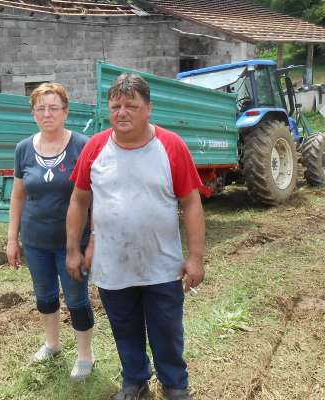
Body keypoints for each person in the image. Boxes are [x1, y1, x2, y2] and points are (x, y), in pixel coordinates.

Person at [65, 73, 206, 400]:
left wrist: (195, 257)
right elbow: (78, 199)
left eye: (131, 105)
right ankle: (135, 382)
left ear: (148, 109)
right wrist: (73, 248)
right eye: (116, 106)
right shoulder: (95, 148)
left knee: (166, 330)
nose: (122, 112)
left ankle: (174, 385)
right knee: (124, 328)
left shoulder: (171, 146)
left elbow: (192, 203)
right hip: (113, 265)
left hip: (162, 265)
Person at [6, 83, 95, 381]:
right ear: (33, 114)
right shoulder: (23, 149)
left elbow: (96, 196)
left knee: (77, 299)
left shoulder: (83, 145)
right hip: (35, 242)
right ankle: (52, 344)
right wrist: (12, 239)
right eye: (40, 108)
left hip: (72, 243)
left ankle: (85, 356)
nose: (47, 113)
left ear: (66, 111)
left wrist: (93, 238)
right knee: (44, 296)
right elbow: (18, 196)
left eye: (53, 107)